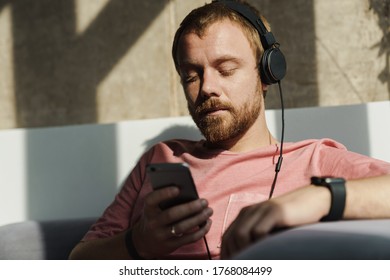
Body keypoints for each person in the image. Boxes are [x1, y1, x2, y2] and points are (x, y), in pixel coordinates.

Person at [69, 0, 390, 260]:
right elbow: (78, 261)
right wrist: (137, 243)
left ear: (267, 74)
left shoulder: (314, 160)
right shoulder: (162, 158)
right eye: (191, 76)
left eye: (225, 69)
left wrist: (319, 197)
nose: (207, 87)